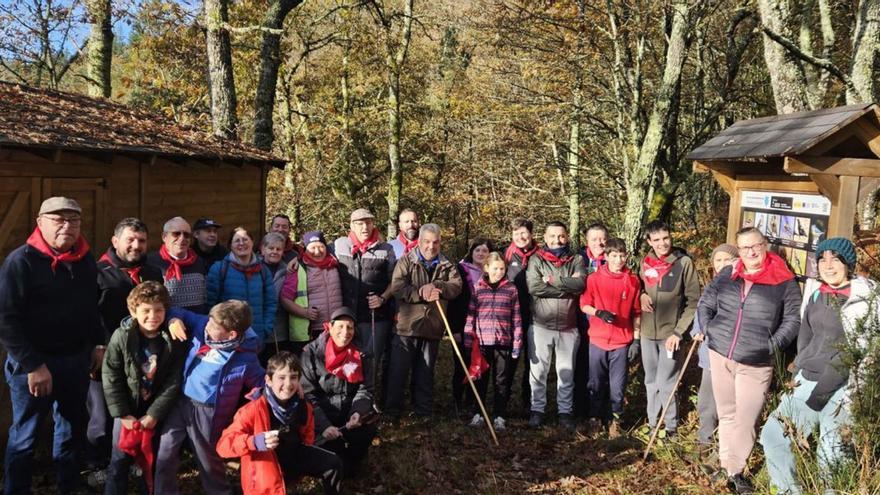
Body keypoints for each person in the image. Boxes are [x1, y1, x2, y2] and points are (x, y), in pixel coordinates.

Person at [0, 196, 103, 494]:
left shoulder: (84, 259)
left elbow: (90, 307)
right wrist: (34, 366)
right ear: (40, 223)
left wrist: (98, 343)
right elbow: (6, 320)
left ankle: (67, 487)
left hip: (75, 360)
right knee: (25, 436)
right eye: (58, 220)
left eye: (73, 220)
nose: (67, 226)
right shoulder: (21, 262)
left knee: (71, 430)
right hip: (33, 366)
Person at [760, 238, 878, 495]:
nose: (828, 265)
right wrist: (799, 369)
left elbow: (852, 353)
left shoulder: (864, 299)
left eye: (835, 259)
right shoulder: (816, 293)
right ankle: (787, 491)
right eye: (822, 259)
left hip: (845, 386)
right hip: (808, 378)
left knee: (831, 450)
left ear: (848, 263)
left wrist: (820, 394)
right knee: (773, 434)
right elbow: (806, 335)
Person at [697, 227, 801, 493]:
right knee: (727, 414)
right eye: (745, 247)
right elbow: (706, 302)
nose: (751, 252)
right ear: (739, 250)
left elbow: (792, 319)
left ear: (764, 245)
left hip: (756, 361)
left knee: (746, 418)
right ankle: (726, 467)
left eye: (756, 246)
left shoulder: (784, 280)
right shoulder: (728, 274)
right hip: (721, 353)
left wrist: (771, 345)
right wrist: (709, 329)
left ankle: (735, 470)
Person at [154, 301, 265, 495]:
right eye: (209, 321)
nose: (208, 326)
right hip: (181, 402)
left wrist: (278, 387)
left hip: (207, 413)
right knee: (165, 452)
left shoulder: (245, 358)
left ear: (231, 335)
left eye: (214, 326)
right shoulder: (203, 324)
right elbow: (177, 311)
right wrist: (173, 320)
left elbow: (262, 381)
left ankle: (221, 492)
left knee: (207, 459)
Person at [90, 217, 163, 479]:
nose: (136, 245)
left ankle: (131, 457)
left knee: (136, 408)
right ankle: (98, 464)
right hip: (105, 354)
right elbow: (88, 313)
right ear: (115, 241)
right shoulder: (98, 272)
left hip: (141, 355)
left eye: (141, 241)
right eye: (130, 240)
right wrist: (97, 346)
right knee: (101, 416)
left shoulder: (152, 272)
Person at [101, 281, 187, 495]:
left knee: (151, 461)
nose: (152, 316)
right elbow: (111, 376)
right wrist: (122, 413)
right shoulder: (121, 336)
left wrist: (154, 414)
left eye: (158, 310)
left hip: (155, 412)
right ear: (133, 311)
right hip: (127, 411)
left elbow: (174, 380)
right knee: (119, 460)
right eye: (146, 311)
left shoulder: (172, 339)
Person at [217, 351, 343, 495]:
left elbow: (307, 433)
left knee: (334, 463)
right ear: (269, 380)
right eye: (281, 378)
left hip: (294, 455)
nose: (288, 384)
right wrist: (254, 442)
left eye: (293, 377)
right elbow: (223, 446)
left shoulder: (303, 405)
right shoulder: (251, 410)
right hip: (265, 467)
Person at [386, 223, 462, 420]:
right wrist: (420, 292)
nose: (431, 246)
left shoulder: (447, 264)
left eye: (435, 242)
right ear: (419, 241)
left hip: (432, 326)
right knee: (398, 372)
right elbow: (397, 288)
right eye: (427, 242)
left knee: (425, 372)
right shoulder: (406, 261)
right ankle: (392, 413)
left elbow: (456, 287)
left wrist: (438, 287)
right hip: (406, 326)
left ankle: (423, 412)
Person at [638, 219, 700, 438]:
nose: (662, 243)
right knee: (650, 381)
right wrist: (641, 294)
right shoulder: (644, 262)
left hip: (671, 335)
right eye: (656, 240)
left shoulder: (684, 263)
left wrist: (678, 332)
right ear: (649, 241)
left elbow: (693, 301)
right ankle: (653, 423)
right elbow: (638, 286)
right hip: (647, 334)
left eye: (665, 238)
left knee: (666, 382)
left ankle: (671, 427)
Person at [525, 221, 586, 430]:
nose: (557, 240)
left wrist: (551, 280)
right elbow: (534, 287)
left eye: (561, 236)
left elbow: (580, 285)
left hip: (568, 327)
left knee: (566, 374)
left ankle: (564, 412)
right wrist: (567, 286)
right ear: (545, 237)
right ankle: (537, 410)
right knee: (538, 373)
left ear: (567, 237)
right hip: (541, 326)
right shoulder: (536, 259)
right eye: (552, 236)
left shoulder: (576, 259)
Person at [301, 307, 376, 471]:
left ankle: (352, 465)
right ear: (330, 327)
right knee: (330, 453)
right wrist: (324, 425)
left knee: (367, 430)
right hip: (322, 414)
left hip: (349, 414)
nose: (345, 332)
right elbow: (307, 394)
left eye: (350, 327)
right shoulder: (311, 352)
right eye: (340, 326)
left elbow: (365, 389)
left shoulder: (362, 354)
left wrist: (357, 412)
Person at [579, 238, 640, 438]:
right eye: (614, 256)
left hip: (621, 342)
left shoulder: (632, 281)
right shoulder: (594, 278)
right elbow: (584, 305)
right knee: (595, 383)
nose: (618, 260)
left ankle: (615, 420)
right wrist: (599, 313)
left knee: (618, 386)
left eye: (622, 256)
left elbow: (637, 313)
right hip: (598, 340)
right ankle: (594, 419)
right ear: (606, 256)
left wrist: (636, 340)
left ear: (626, 256)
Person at [333, 208, 396, 393]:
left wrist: (383, 298)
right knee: (347, 359)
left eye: (368, 223)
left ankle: (368, 397)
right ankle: (347, 397)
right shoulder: (339, 246)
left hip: (375, 317)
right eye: (359, 223)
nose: (365, 227)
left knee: (371, 360)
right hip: (347, 317)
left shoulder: (386, 249)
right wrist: (295, 260)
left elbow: (396, 280)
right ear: (351, 226)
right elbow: (316, 255)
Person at [691, 243, 738, 470]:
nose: (722, 264)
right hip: (709, 356)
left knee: (728, 405)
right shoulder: (711, 286)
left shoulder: (741, 286)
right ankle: (705, 440)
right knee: (706, 401)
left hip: (731, 356)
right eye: (718, 260)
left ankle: (725, 449)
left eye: (727, 259)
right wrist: (697, 330)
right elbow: (700, 312)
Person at [463, 252, 522, 431]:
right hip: (482, 342)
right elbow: (471, 316)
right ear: (487, 268)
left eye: (502, 269)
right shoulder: (478, 288)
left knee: (501, 380)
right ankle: (478, 413)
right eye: (495, 268)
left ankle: (499, 415)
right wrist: (468, 338)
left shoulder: (511, 289)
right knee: (481, 379)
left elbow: (517, 318)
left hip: (503, 342)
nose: (499, 272)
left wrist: (517, 343)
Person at [207, 226, 277, 347]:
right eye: (237, 240)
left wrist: (266, 328)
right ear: (230, 246)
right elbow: (210, 303)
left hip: (257, 337)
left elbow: (271, 302)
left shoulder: (263, 270)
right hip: (228, 337)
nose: (241, 243)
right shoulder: (219, 269)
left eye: (245, 239)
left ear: (252, 242)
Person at [447, 236, 493, 416]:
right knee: (462, 365)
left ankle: (473, 402)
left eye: (485, 251)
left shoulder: (493, 273)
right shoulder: (460, 270)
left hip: (484, 327)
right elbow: (454, 302)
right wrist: (454, 329)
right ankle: (457, 402)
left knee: (480, 365)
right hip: (462, 325)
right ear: (471, 252)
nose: (481, 253)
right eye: (477, 250)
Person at [282, 231, 343, 355]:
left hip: (335, 327)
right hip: (310, 330)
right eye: (312, 247)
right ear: (305, 249)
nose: (317, 251)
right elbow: (284, 299)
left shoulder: (336, 264)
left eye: (321, 246)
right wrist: (304, 312)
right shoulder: (298, 268)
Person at [503, 217, 538, 415]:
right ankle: (503, 401)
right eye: (516, 233)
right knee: (510, 361)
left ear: (531, 234)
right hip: (512, 317)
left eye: (523, 232)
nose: (520, 237)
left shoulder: (540, 255)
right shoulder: (507, 255)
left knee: (532, 362)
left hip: (535, 316)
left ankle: (529, 402)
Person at [574, 222, 609, 419]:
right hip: (581, 320)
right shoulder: (578, 259)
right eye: (594, 239)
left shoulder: (613, 258)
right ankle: (581, 409)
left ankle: (602, 411)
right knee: (582, 365)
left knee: (602, 368)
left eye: (602, 239)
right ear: (587, 241)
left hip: (605, 322)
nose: (599, 243)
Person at [147, 216, 208, 313]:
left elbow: (206, 296)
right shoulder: (151, 262)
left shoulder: (199, 262)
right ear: (164, 237)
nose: (182, 238)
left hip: (198, 319)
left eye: (186, 235)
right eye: (176, 234)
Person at [261, 232, 293, 356]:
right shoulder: (254, 268)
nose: (274, 252)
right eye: (271, 248)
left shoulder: (288, 271)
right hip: (259, 325)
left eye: (278, 249)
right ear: (263, 250)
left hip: (280, 329)